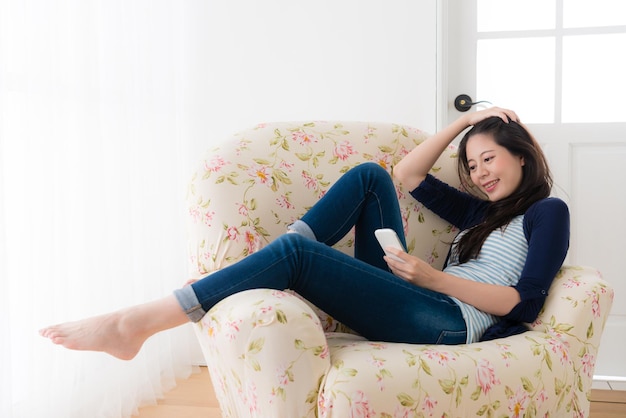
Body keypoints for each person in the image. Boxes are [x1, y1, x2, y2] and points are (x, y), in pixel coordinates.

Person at [40, 107, 569, 360]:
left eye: (489, 159)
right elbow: (408, 175)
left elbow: (522, 304)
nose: (480, 174)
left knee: (295, 254)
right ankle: (289, 253)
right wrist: (467, 123)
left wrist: (436, 279)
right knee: (371, 176)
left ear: (521, 156)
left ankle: (139, 322)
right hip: (419, 297)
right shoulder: (480, 215)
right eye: (472, 166)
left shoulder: (548, 212)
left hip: (447, 320)